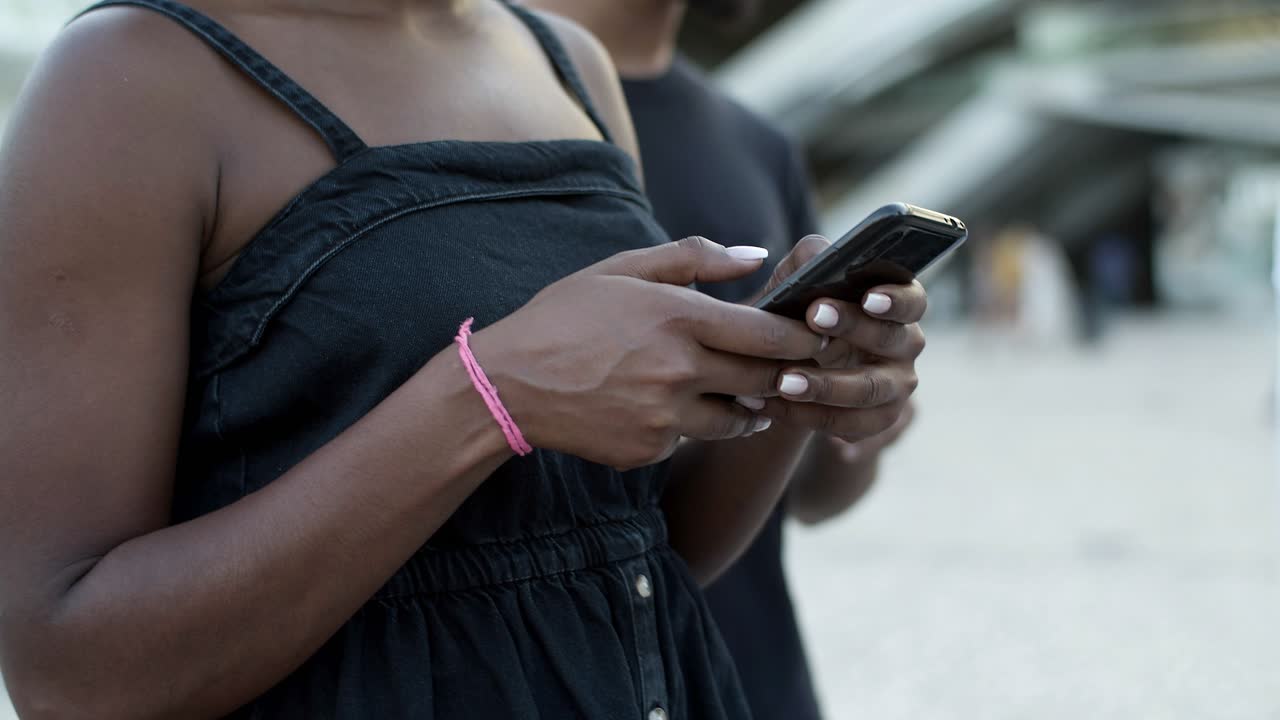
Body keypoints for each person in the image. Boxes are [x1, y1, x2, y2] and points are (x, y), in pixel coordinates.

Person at [0, 1, 925, 718]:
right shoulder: (128, 78)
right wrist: (488, 397)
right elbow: (70, 675)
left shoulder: (567, 61)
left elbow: (632, 547)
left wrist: (786, 383)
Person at [529, 1, 917, 718]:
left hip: (754, 678)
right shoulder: (477, 115)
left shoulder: (757, 141)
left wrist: (855, 415)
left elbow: (809, 496)